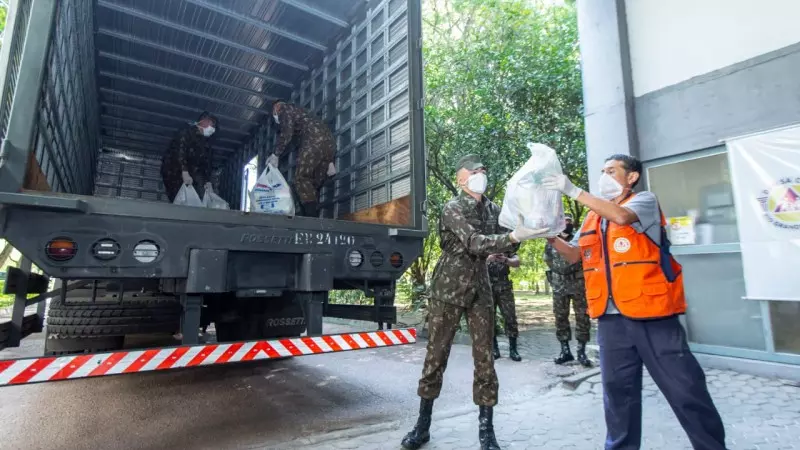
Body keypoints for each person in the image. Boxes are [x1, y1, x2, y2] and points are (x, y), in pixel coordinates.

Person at [542, 154, 726, 450]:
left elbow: (622, 217)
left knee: (686, 390)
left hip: (652, 316)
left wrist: (574, 191)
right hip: (611, 319)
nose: (604, 176)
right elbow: (574, 254)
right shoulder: (592, 216)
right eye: (602, 171)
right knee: (618, 395)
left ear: (632, 177)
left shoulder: (643, 201)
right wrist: (550, 237)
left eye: (612, 171)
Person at [401, 155, 548, 450]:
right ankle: (422, 426)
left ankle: (486, 433)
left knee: (485, 360)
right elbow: (474, 242)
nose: (481, 174)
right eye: (475, 171)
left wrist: (523, 227)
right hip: (448, 290)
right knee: (435, 358)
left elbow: (510, 239)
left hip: (481, 289)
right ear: (461, 178)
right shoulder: (452, 208)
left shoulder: (494, 209)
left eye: (483, 170)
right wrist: (512, 236)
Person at [268, 100, 336, 217]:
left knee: (301, 179)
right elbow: (322, 133)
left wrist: (276, 154)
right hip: (329, 145)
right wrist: (330, 161)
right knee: (313, 184)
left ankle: (310, 218)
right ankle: (312, 216)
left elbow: (286, 133)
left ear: (276, 107)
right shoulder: (304, 113)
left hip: (312, 141)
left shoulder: (285, 109)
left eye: (274, 112)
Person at [543, 214, 592, 367]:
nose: (567, 223)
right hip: (559, 286)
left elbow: (584, 257)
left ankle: (581, 351)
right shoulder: (553, 239)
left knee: (582, 317)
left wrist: (571, 269)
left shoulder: (579, 237)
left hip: (578, 284)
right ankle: (565, 351)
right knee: (560, 318)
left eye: (569, 221)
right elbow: (548, 259)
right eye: (564, 221)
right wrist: (560, 271)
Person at [485, 200, 522, 362]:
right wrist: (490, 258)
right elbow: (476, 259)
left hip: (504, 284)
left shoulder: (510, 239)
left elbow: (517, 261)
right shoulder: (484, 239)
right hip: (487, 284)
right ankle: (494, 349)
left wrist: (506, 260)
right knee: (489, 317)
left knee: (510, 317)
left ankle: (513, 349)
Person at [161, 111, 218, 202]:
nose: (213, 129)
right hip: (173, 170)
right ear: (203, 122)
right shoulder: (186, 132)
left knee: (193, 195)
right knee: (177, 195)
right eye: (212, 125)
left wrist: (208, 181)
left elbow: (206, 163)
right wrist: (184, 171)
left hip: (190, 173)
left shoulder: (205, 142)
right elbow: (180, 151)